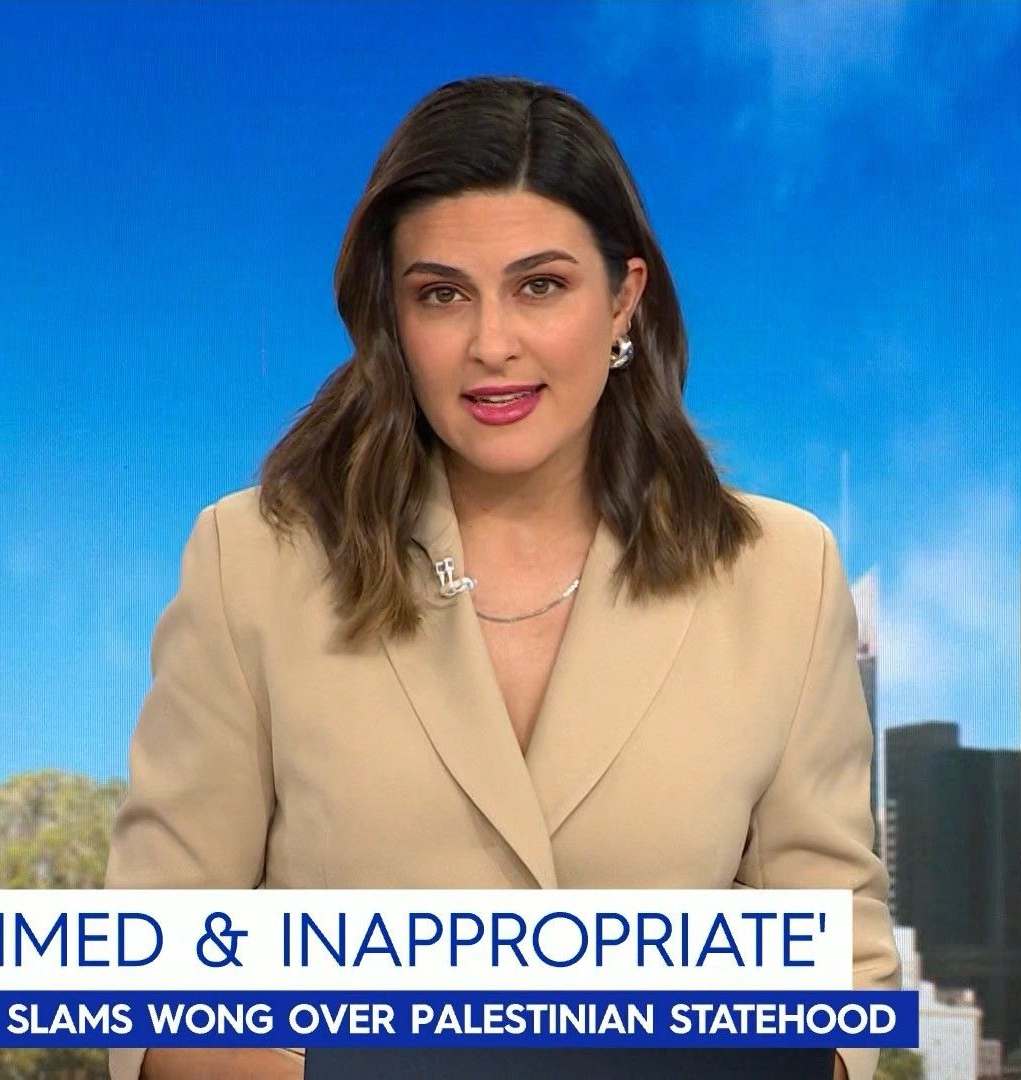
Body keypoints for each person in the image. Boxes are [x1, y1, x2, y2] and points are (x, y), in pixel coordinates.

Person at [105, 75, 900, 1080]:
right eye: (442, 295)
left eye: (540, 287)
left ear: (624, 300)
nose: (491, 345)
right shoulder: (252, 559)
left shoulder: (783, 574)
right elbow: (149, 987)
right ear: (393, 317)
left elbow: (840, 983)